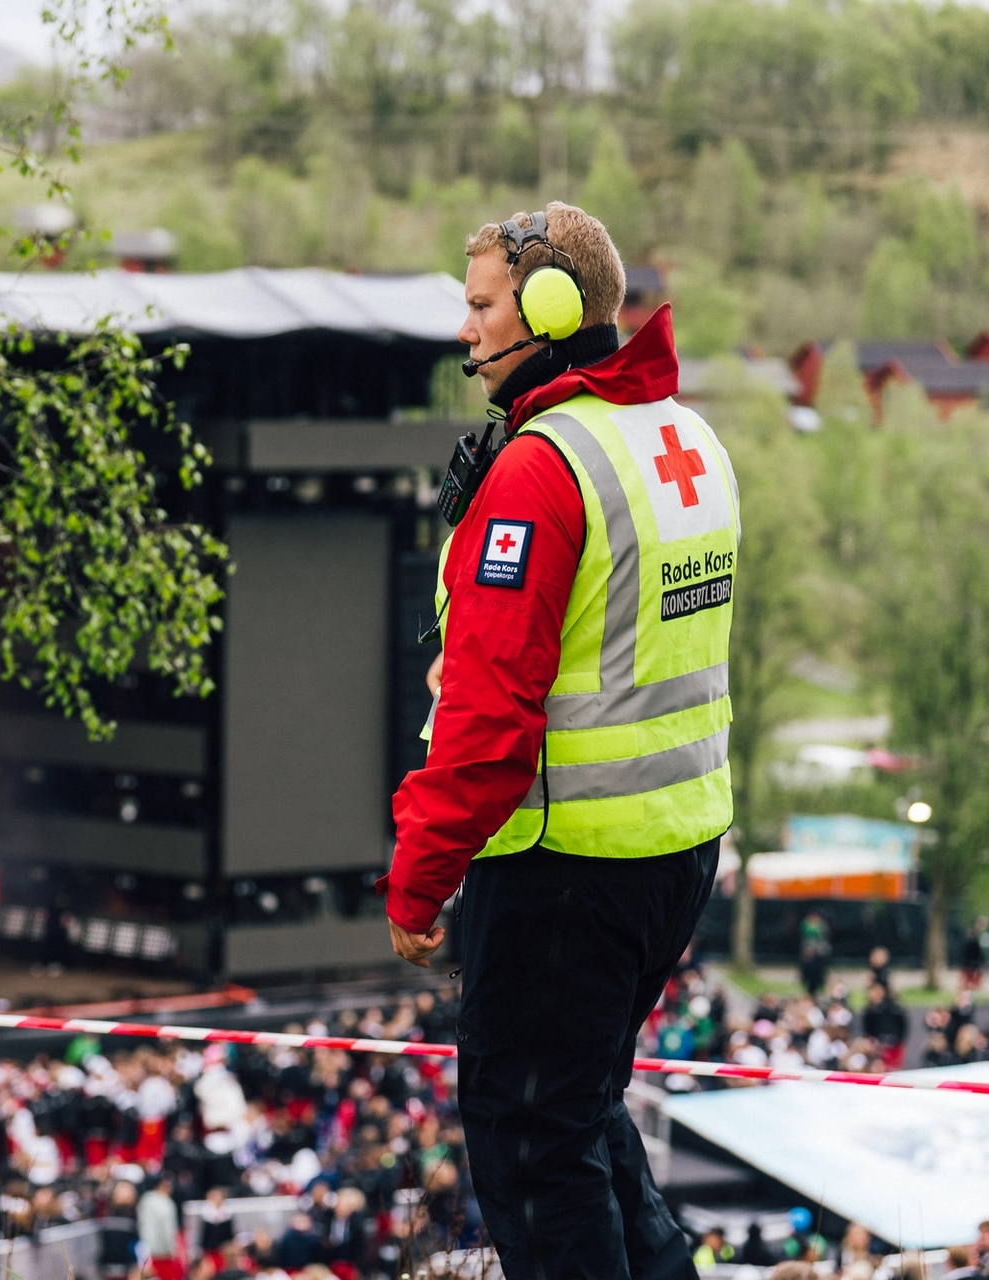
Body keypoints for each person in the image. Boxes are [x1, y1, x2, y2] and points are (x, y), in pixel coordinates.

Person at [381, 204, 736, 1280]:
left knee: (533, 1145)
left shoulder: (542, 470)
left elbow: (489, 725)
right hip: (667, 856)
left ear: (548, 308)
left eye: (483, 303)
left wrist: (416, 880)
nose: (467, 330)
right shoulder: (684, 436)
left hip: (560, 868)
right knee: (579, 1112)